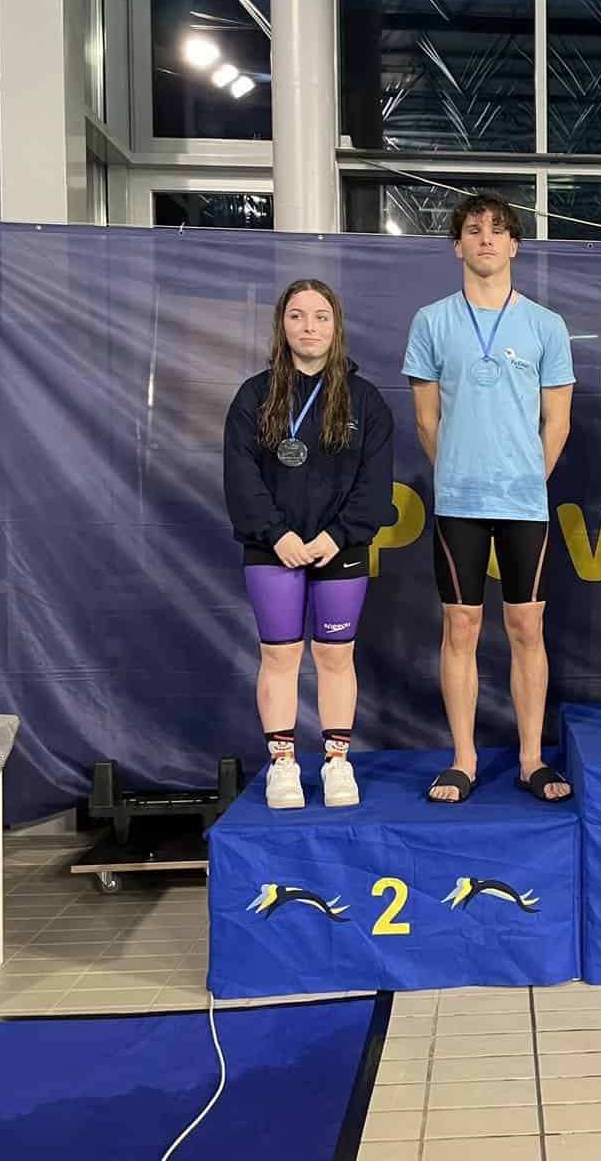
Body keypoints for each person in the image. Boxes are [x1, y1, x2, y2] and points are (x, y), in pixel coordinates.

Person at [403, 191, 576, 804]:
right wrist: (458, 473)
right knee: (462, 625)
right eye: (473, 230)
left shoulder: (545, 325)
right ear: (457, 245)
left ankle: (531, 759)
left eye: (498, 230)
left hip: (525, 501)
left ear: (514, 245)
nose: (485, 239)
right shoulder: (431, 321)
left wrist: (528, 476)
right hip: (459, 502)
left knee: (527, 625)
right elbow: (426, 420)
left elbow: (558, 420)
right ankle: (464, 758)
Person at [224, 278, 396, 810]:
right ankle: (283, 766)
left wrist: (336, 536)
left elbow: (375, 485)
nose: (309, 327)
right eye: (297, 316)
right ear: (282, 325)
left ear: (336, 326)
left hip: (338, 548)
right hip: (273, 549)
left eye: (321, 316)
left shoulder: (365, 400)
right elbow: (240, 477)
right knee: (279, 655)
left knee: (335, 655)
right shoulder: (254, 396)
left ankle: (337, 762)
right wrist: (277, 535)